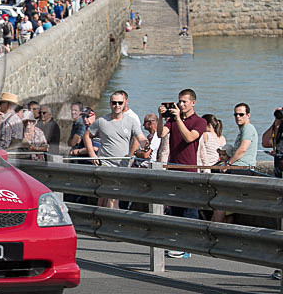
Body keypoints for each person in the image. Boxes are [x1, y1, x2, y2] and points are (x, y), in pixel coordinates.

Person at [84, 91, 147, 209]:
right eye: (114, 103)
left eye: (120, 103)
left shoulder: (131, 121)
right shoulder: (101, 121)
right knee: (111, 196)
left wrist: (145, 144)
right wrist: (92, 155)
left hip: (121, 165)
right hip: (105, 164)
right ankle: (112, 222)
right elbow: (87, 135)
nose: (117, 105)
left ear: (124, 104)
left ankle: (101, 221)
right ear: (110, 104)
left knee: (106, 198)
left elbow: (140, 137)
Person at [157, 88, 207, 234]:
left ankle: (189, 243)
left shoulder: (200, 121)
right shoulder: (172, 120)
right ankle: (177, 241)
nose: (181, 104)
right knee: (175, 208)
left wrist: (178, 119)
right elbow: (160, 133)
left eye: (184, 101)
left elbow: (190, 138)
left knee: (190, 209)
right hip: (173, 170)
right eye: (179, 101)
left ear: (193, 103)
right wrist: (161, 117)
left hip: (189, 171)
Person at [224, 103, 257, 172]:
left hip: (243, 167)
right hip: (238, 166)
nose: (238, 117)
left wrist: (228, 164)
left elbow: (242, 149)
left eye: (241, 114)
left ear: (248, 115)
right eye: (235, 114)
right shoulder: (243, 129)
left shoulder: (248, 128)